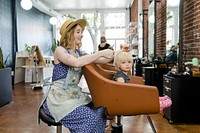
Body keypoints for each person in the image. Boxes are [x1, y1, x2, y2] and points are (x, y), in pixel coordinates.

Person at [41, 18, 114, 133]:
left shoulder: (81, 53)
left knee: (101, 111)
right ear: (70, 34)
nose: (82, 35)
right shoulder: (60, 50)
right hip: (59, 98)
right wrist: (101, 52)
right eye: (78, 32)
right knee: (90, 118)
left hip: (75, 95)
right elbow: (76, 62)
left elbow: (105, 60)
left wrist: (113, 53)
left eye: (81, 32)